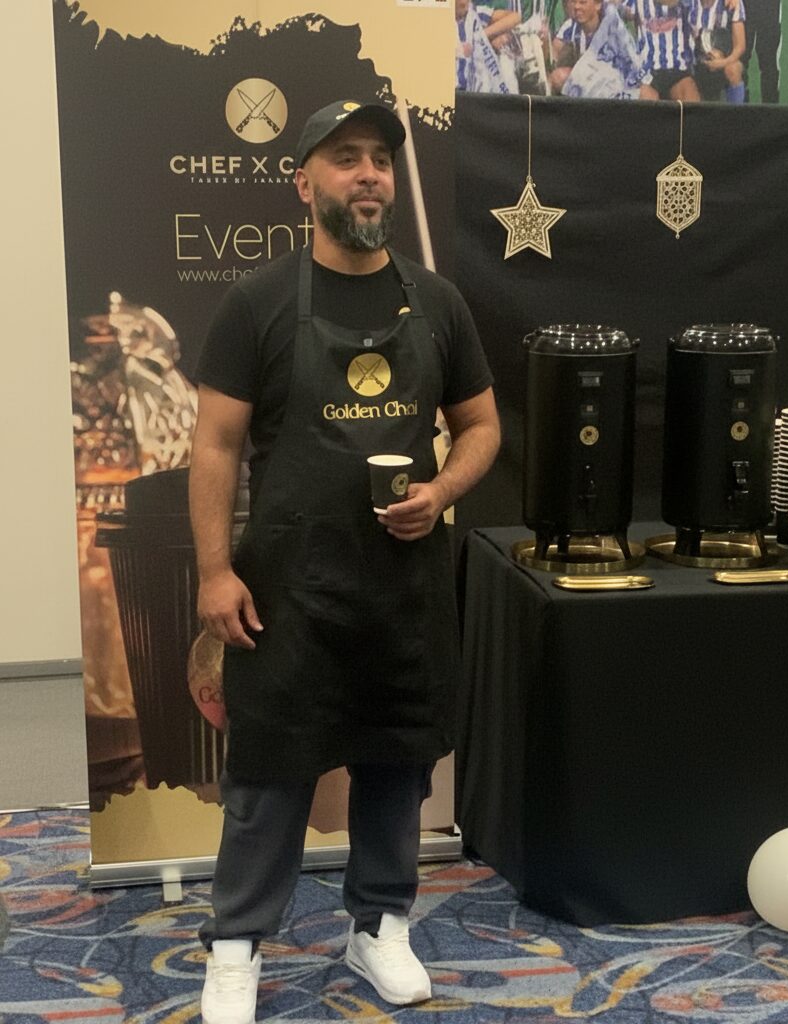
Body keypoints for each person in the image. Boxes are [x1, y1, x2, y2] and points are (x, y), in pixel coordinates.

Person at [189, 99, 500, 1023]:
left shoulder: (438, 303)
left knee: (397, 761)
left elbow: (482, 426)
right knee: (269, 771)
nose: (368, 174)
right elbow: (214, 446)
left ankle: (380, 927)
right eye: (345, 158)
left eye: (380, 160)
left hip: (404, 589)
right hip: (288, 588)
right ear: (304, 182)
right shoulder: (255, 304)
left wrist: (441, 492)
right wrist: (214, 572)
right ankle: (237, 946)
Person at [550, 0, 652, 97]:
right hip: (588, 80)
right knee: (558, 77)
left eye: (582, 2)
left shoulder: (614, 27)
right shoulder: (570, 26)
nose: (577, 7)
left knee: (646, 94)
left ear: (598, 5)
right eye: (574, 2)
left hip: (615, 81)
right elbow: (553, 55)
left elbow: (631, 66)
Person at [689, 0, 747, 103]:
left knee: (733, 69)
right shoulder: (687, 3)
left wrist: (722, 62)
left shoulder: (732, 3)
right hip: (692, 61)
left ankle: (736, 111)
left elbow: (740, 46)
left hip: (723, 58)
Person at [741, 0, 781, 102]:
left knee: (768, 60)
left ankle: (770, 107)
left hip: (769, 6)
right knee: (740, 58)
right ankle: (739, 105)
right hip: (744, 5)